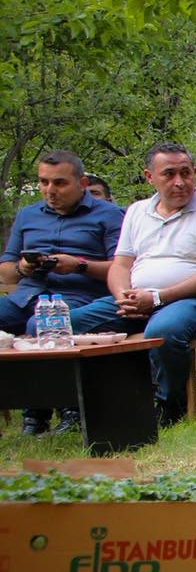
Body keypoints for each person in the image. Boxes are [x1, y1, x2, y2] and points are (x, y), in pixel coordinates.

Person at [108, 143, 196, 426]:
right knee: (72, 322)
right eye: (169, 174)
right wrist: (124, 297)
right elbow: (120, 265)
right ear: (149, 177)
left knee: (162, 330)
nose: (179, 182)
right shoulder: (136, 212)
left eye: (186, 173)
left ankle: (170, 405)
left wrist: (156, 298)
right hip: (138, 298)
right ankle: (90, 404)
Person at [1, 151, 126, 434]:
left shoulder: (110, 215)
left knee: (42, 324)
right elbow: (6, 272)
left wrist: (78, 266)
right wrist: (24, 267)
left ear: (81, 182)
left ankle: (51, 410)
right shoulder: (28, 215)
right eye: (43, 182)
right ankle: (23, 403)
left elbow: (123, 268)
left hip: (81, 296)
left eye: (59, 183)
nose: (50, 191)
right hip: (28, 294)